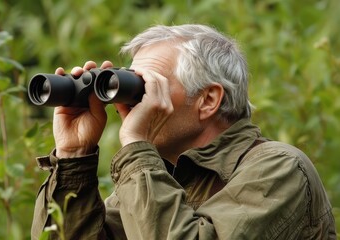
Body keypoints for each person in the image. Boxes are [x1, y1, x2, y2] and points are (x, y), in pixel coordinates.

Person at [31, 24, 337, 239]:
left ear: (207, 100)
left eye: (148, 86)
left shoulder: (279, 170)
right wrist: (74, 156)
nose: (136, 102)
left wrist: (136, 145)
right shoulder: (157, 179)